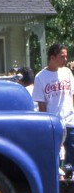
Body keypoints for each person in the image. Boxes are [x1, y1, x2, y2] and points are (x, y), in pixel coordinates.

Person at [32, 44, 74, 173]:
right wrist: (46, 124)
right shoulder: (40, 77)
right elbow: (42, 105)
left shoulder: (67, 72)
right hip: (54, 123)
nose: (65, 59)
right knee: (55, 155)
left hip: (70, 121)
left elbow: (72, 95)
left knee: (72, 153)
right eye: (62, 57)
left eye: (66, 56)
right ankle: (58, 182)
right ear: (52, 57)